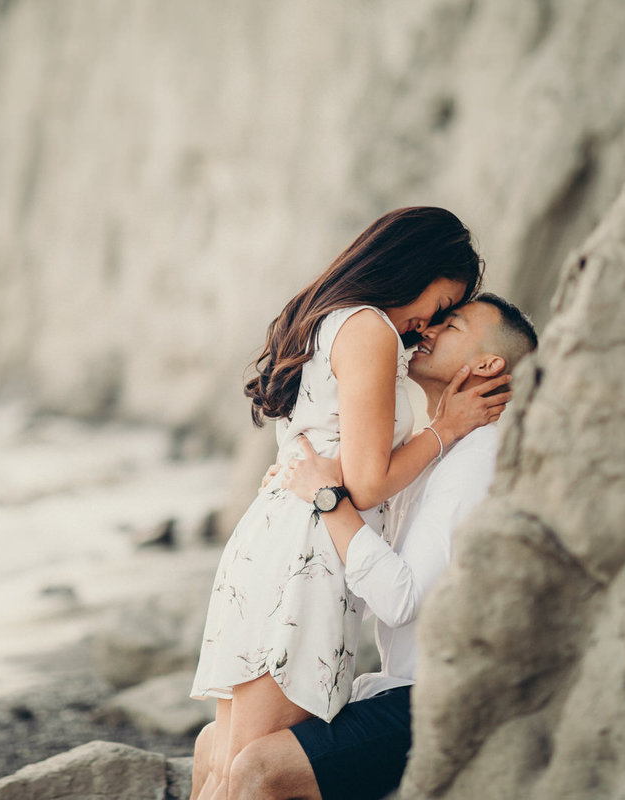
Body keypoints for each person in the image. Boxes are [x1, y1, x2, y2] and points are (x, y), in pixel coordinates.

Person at [190, 208, 511, 800]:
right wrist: (446, 427)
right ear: (416, 267)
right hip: (309, 555)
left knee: (225, 765)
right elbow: (364, 485)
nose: (431, 323)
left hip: (278, 537)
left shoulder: (326, 319)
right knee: (249, 767)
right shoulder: (370, 330)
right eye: (444, 302)